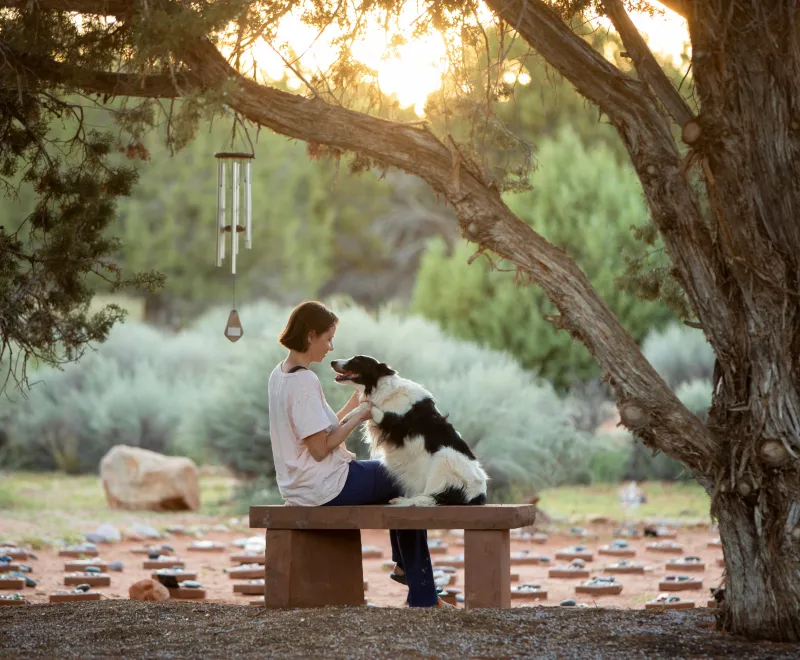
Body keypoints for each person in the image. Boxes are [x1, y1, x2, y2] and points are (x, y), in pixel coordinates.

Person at [268, 300, 450, 608]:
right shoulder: (304, 381)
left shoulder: (280, 374)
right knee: (405, 477)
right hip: (325, 485)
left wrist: (351, 407)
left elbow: (315, 432)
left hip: (301, 485)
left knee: (395, 478)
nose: (330, 347)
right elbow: (319, 448)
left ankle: (411, 575)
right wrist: (363, 416)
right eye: (327, 338)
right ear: (310, 336)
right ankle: (421, 592)